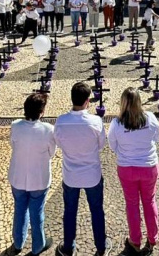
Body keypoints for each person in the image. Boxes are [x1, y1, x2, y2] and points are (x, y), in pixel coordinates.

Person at [54, 82, 107, 256]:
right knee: (97, 210)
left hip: (71, 175)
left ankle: (68, 247)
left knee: (69, 211)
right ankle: (100, 248)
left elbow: (60, 144)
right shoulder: (96, 121)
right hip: (92, 175)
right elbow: (101, 146)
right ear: (87, 101)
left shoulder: (60, 122)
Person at [108, 88, 159, 256]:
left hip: (127, 168)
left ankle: (135, 240)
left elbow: (112, 146)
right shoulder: (151, 118)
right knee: (149, 201)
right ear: (140, 101)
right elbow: (156, 138)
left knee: (132, 204)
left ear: (123, 103)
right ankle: (152, 238)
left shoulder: (117, 124)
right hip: (149, 167)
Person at [8, 93, 56, 256]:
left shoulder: (15, 125)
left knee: (19, 210)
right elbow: (52, 153)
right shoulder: (48, 129)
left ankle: (18, 243)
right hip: (39, 179)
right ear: (41, 112)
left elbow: (13, 145)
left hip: (18, 176)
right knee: (37, 213)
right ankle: (37, 246)